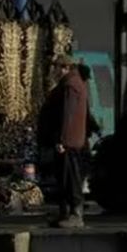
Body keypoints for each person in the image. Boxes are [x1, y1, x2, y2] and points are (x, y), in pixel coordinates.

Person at [38, 55, 88, 228]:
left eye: (57, 67)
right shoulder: (69, 84)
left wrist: (63, 140)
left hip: (69, 142)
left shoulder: (71, 85)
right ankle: (65, 213)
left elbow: (68, 114)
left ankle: (75, 214)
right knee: (64, 178)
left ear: (65, 68)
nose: (55, 71)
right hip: (67, 141)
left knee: (70, 179)